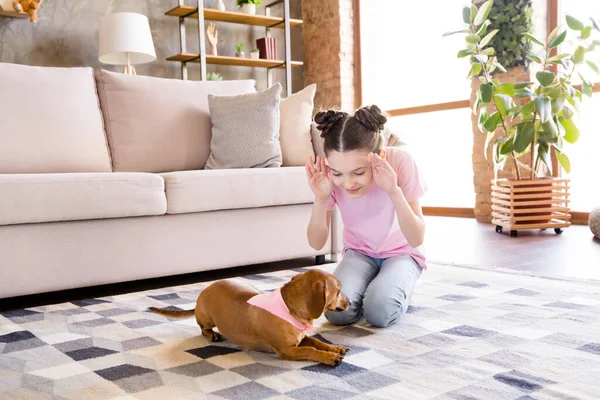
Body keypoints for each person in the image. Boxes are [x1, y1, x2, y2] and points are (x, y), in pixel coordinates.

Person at [305, 105, 427, 328]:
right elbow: (316, 243)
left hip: (401, 253)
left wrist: (393, 190)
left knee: (379, 312)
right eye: (338, 173)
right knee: (337, 313)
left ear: (378, 157)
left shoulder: (401, 162)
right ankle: (375, 283)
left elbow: (416, 238)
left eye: (358, 173)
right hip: (359, 253)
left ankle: (394, 287)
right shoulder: (329, 178)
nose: (348, 183)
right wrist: (321, 198)